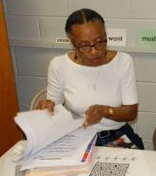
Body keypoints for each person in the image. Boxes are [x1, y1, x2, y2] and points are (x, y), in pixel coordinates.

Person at [37, 8, 144, 149]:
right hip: (79, 138)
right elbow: (54, 110)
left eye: (99, 42)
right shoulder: (59, 65)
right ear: (73, 43)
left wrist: (106, 111)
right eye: (84, 46)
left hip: (117, 136)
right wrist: (46, 109)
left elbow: (131, 113)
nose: (94, 51)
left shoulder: (123, 61)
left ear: (105, 35)